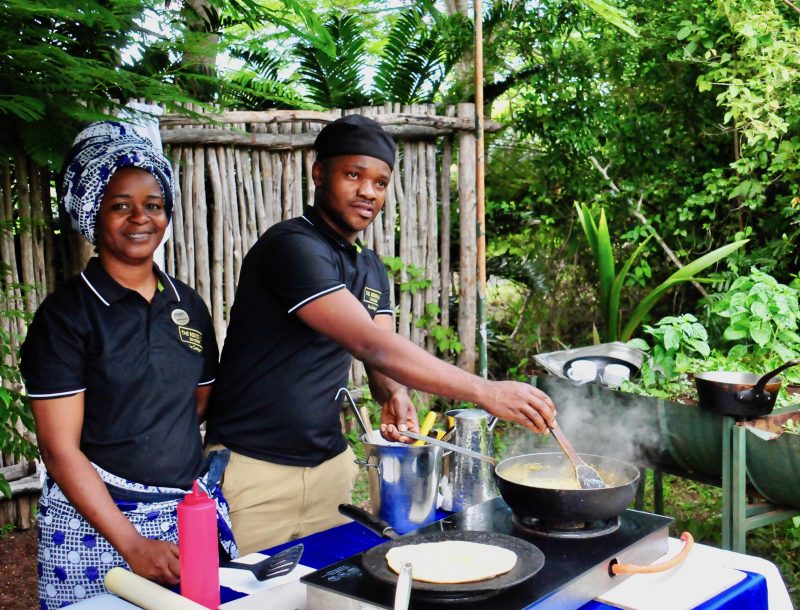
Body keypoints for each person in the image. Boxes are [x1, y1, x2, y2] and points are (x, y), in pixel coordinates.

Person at [205, 114, 557, 555]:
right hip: (253, 473)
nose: (368, 191)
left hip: (329, 469)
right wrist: (484, 390)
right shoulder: (291, 247)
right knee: (241, 599)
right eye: (353, 175)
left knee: (321, 595)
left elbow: (380, 359)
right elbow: (369, 342)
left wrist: (395, 395)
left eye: (381, 182)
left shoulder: (370, 267)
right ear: (319, 173)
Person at [20, 121, 237, 609]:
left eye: (153, 205)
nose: (141, 218)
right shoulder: (67, 317)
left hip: (184, 513)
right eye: (120, 205)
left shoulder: (188, 306)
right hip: (97, 525)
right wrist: (132, 543)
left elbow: (195, 405)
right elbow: (59, 450)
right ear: (92, 213)